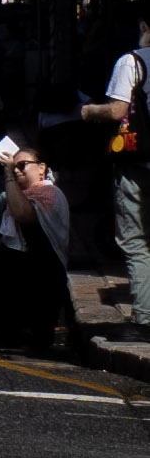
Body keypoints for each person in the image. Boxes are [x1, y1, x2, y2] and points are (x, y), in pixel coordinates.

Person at [0, 142, 70, 350]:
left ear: (42, 168)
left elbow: (23, 213)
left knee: (14, 265)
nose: (17, 171)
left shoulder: (50, 193)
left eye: (22, 165)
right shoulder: (9, 197)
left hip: (42, 274)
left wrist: (8, 173)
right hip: (14, 270)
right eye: (13, 166)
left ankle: (25, 327)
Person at [78, 17, 150, 331]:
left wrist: (89, 111)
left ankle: (146, 317)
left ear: (144, 26)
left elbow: (117, 111)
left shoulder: (132, 61)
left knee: (136, 240)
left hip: (139, 163)